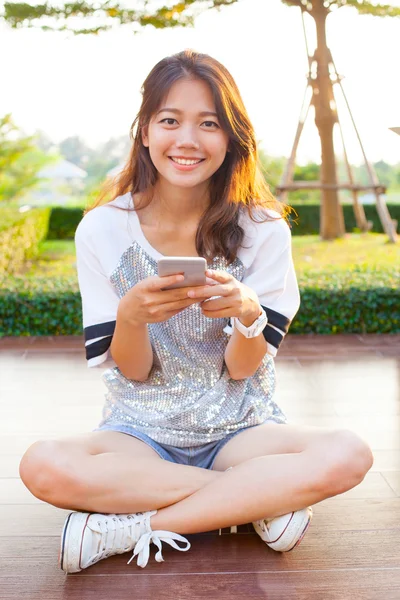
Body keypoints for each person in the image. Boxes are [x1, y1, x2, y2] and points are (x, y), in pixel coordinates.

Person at [19, 49, 373, 574]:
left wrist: (250, 314)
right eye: (169, 121)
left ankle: (135, 527)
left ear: (230, 138)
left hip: (242, 433)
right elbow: (134, 370)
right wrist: (132, 317)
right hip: (138, 436)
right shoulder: (102, 229)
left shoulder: (263, 229)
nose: (187, 140)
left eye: (209, 123)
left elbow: (242, 368)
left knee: (351, 453)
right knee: (41, 466)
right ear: (144, 131)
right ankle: (260, 502)